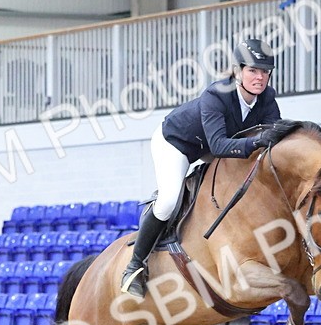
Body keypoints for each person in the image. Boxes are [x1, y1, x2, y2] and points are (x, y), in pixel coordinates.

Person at [120, 38, 283, 298]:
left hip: (213, 146)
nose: (260, 77)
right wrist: (256, 142)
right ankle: (134, 266)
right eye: (253, 70)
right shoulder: (216, 95)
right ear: (238, 71)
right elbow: (218, 146)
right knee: (168, 201)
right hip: (176, 143)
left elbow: (272, 141)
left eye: (265, 71)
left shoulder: (267, 99)